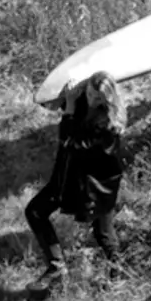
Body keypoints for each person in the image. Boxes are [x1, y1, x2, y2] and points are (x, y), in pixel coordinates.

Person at [26, 71, 129, 285]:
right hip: (68, 177)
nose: (92, 101)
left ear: (107, 100)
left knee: (103, 233)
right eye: (90, 94)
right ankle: (56, 266)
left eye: (98, 99)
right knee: (35, 211)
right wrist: (69, 96)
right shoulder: (84, 101)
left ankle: (117, 276)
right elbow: (57, 105)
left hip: (96, 185)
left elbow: (70, 143)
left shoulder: (108, 124)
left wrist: (70, 108)